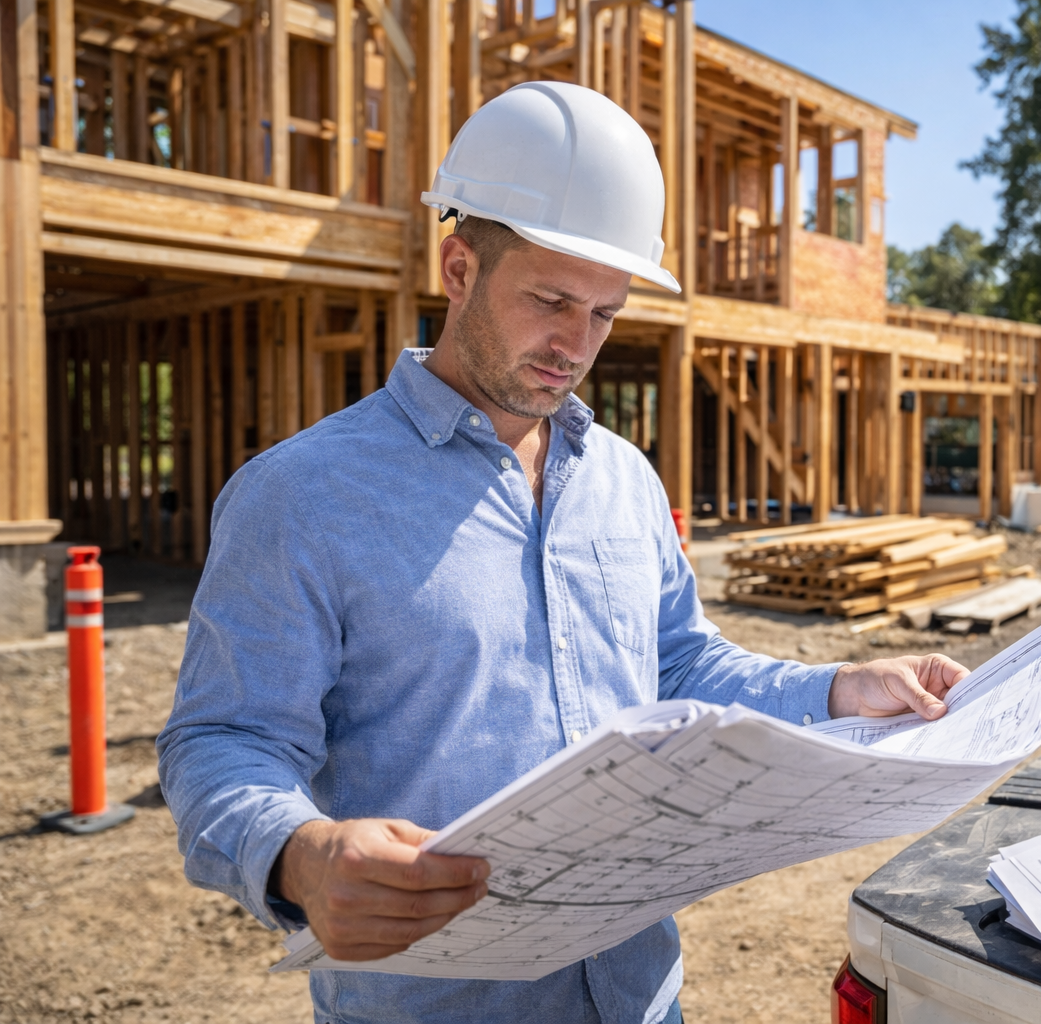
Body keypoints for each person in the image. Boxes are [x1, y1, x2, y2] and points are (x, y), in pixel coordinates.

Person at [157, 82, 967, 1024]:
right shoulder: (301, 497)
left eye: (605, 313)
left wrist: (836, 691)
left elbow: (677, 665)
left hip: (639, 997)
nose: (575, 345)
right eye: (550, 300)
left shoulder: (623, 479)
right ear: (459, 268)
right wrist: (300, 855)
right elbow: (224, 739)